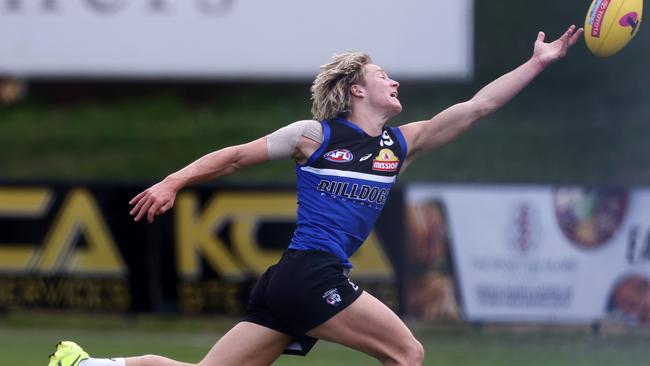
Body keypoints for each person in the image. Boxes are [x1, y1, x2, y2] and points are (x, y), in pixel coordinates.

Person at [48, 25, 583, 366]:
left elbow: (479, 106)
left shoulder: (400, 145)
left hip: (293, 282)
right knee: (407, 352)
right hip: (310, 275)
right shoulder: (314, 136)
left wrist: (537, 62)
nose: (393, 81)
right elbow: (234, 156)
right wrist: (173, 181)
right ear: (356, 89)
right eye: (381, 75)